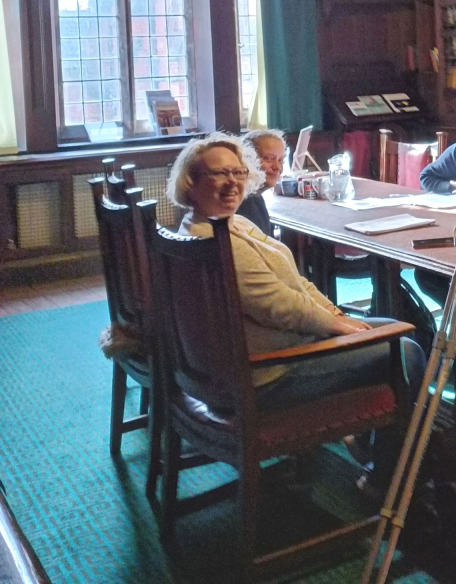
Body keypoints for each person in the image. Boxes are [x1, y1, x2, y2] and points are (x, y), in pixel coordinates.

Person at [167, 132, 426, 495]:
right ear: (191, 183)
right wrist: (339, 326)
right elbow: (282, 307)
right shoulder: (218, 242)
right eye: (218, 175)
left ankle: (373, 446)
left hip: (242, 365)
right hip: (266, 375)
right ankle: (385, 478)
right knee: (406, 351)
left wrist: (339, 316)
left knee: (386, 329)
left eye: (239, 173)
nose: (232, 183)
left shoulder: (224, 225)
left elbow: (295, 284)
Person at [234, 128, 286, 235]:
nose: (277, 167)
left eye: (280, 160)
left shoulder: (256, 197)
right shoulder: (244, 203)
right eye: (269, 158)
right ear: (247, 159)